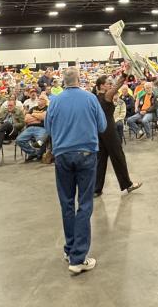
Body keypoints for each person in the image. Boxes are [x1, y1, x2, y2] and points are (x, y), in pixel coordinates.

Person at [46, 67, 105, 274]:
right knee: (85, 204)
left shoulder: (55, 101)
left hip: (62, 155)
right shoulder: (90, 98)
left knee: (67, 203)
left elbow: (47, 127)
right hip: (87, 154)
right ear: (79, 79)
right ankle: (78, 258)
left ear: (63, 81)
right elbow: (102, 126)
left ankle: (70, 248)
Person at [91, 73, 142, 197]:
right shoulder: (106, 96)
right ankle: (127, 184)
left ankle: (96, 189)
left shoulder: (94, 97)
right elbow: (117, 86)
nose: (110, 85)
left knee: (101, 160)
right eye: (108, 83)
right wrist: (125, 74)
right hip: (109, 130)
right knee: (118, 157)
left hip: (99, 131)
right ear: (102, 86)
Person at [0, 100, 24, 169]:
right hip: (4, 131)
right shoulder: (3, 112)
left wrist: (13, 125)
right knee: (1, 133)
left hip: (13, 131)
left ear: (15, 105)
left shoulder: (19, 111)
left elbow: (22, 124)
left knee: (7, 123)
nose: (9, 107)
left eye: (11, 105)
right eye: (8, 105)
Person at [16, 96, 49, 162]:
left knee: (40, 141)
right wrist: (38, 118)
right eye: (39, 99)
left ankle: (39, 155)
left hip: (41, 128)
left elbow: (43, 117)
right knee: (19, 140)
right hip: (30, 128)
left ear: (45, 101)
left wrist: (33, 114)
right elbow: (26, 119)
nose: (39, 100)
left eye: (41, 99)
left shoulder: (47, 108)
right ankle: (34, 153)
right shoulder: (33, 108)